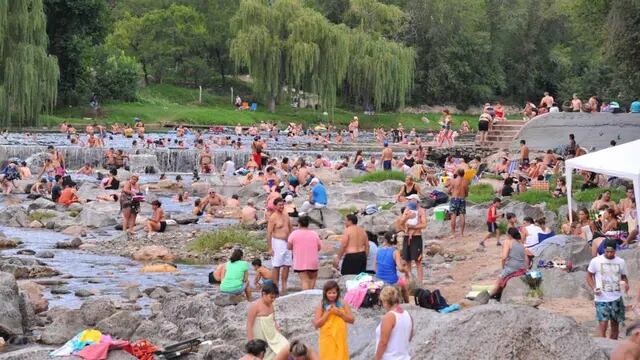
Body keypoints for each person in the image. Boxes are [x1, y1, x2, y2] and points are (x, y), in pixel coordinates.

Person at [587, 239, 629, 339]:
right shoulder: (596, 261)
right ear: (604, 250)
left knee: (615, 326)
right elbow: (589, 276)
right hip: (601, 298)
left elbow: (624, 277)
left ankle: (612, 349)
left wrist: (626, 286)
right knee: (603, 325)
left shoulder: (621, 262)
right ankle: (603, 348)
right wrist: (594, 287)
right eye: (607, 251)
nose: (609, 254)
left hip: (617, 298)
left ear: (615, 250)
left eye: (612, 252)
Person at [247, 283, 288, 360]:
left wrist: (278, 332)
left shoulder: (271, 304)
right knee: (265, 354)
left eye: (274, 298)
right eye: (271, 297)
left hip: (272, 333)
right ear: (264, 294)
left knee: (286, 346)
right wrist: (251, 342)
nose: (273, 300)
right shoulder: (255, 306)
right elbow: (249, 325)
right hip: (261, 336)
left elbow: (273, 320)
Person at [314, 281, 353, 360]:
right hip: (327, 338)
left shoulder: (343, 303)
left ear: (337, 292)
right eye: (329, 293)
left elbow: (352, 320)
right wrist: (327, 313)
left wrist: (340, 313)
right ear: (325, 293)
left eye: (334, 292)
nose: (332, 295)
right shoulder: (321, 305)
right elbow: (316, 325)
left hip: (340, 337)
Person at [374, 286, 413, 360]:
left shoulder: (389, 317)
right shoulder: (408, 315)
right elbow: (409, 337)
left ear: (385, 301)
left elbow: (383, 342)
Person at [488, 228, 529, 297]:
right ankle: (498, 294)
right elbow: (526, 259)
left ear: (509, 235)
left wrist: (503, 267)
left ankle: (488, 296)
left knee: (498, 282)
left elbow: (504, 257)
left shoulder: (508, 241)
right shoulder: (521, 244)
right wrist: (526, 269)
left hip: (512, 267)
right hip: (521, 268)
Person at [397, 194, 426, 284]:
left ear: (416, 201)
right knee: (407, 260)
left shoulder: (421, 211)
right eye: (408, 200)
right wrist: (407, 217)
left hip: (416, 237)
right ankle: (409, 281)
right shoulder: (407, 210)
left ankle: (420, 282)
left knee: (418, 261)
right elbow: (400, 223)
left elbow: (424, 224)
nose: (409, 201)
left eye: (411, 200)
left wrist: (414, 226)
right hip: (406, 236)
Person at [287, 215, 322, 290]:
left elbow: (289, 247)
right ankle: (311, 296)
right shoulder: (314, 234)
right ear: (308, 224)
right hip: (313, 261)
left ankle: (306, 298)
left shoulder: (294, 234)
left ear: (299, 223)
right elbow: (319, 248)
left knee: (305, 280)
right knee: (312, 279)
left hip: (300, 261)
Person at [267, 198, 293, 293]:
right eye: (279, 205)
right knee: (276, 265)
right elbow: (269, 233)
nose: (281, 207)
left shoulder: (286, 215)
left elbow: (290, 228)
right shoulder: (273, 217)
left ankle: (284, 286)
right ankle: (275, 287)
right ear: (275, 206)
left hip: (287, 242)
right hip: (277, 242)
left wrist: (292, 241)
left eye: (282, 205)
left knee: (287, 265)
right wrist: (270, 248)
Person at [376, 232, 411, 302]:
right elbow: (400, 268)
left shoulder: (379, 250)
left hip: (379, 278)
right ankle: (407, 303)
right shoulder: (395, 252)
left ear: (385, 240)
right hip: (391, 280)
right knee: (404, 285)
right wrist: (406, 271)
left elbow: (376, 266)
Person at [448, 168, 469, 237]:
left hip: (454, 199)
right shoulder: (466, 181)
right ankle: (462, 233)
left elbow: (448, 190)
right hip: (462, 199)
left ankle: (453, 234)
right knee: (462, 215)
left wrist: (452, 193)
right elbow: (466, 193)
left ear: (457, 173)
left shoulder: (453, 181)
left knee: (453, 216)